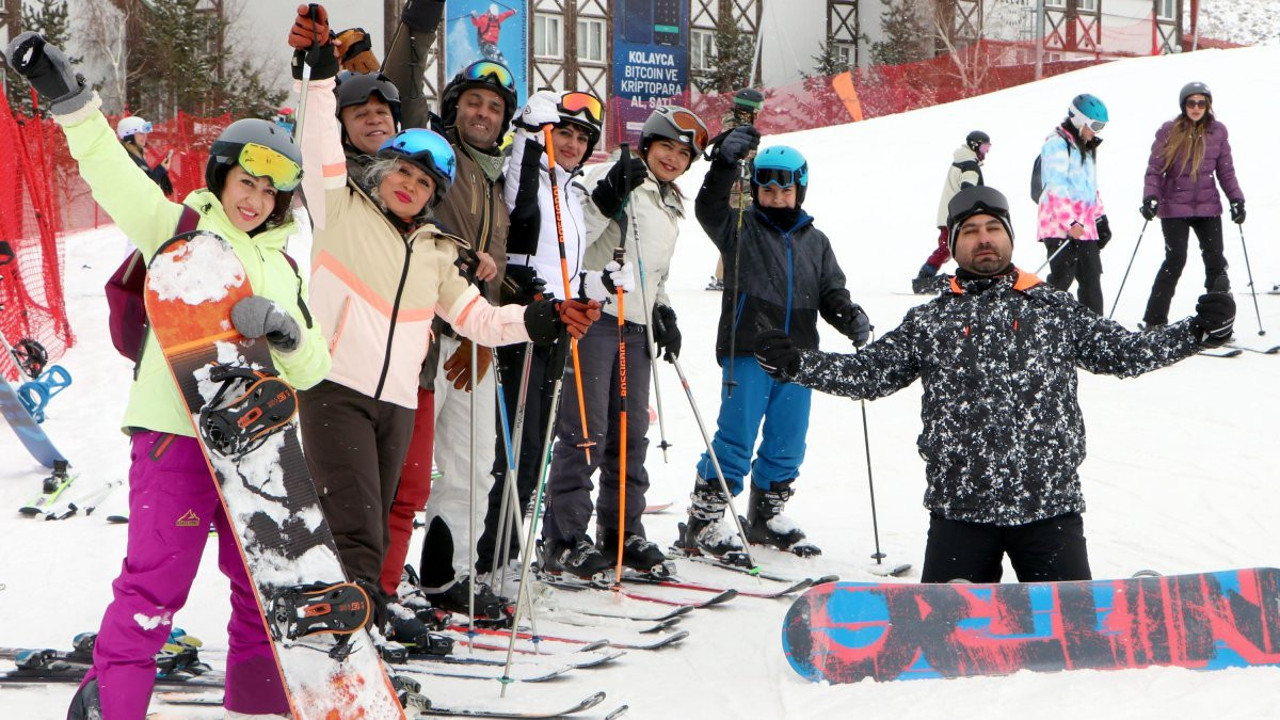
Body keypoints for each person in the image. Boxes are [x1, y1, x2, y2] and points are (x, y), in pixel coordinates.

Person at [5, 30, 331, 720]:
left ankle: (259, 708)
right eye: (247, 182)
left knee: (263, 591)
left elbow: (312, 367)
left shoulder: (285, 263)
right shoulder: (177, 228)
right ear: (220, 177)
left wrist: (288, 331)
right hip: (173, 437)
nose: (256, 200)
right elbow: (112, 176)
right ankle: (116, 706)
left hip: (260, 450)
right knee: (155, 588)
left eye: (271, 192)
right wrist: (72, 104)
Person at [286, 9, 600, 634]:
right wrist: (321, 70)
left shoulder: (439, 242)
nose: (410, 185)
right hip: (340, 384)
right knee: (355, 516)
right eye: (402, 170)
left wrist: (544, 317)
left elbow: (480, 316)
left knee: (401, 502)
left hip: (402, 390)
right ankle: (353, 624)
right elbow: (321, 138)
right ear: (383, 169)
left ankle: (386, 606)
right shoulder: (341, 207)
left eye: (424, 181)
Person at [752, 185, 1236, 584]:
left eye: (993, 230)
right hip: (960, 512)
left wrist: (1195, 331)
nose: (984, 240)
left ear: (1009, 238)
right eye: (971, 232)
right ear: (955, 245)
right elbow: (871, 374)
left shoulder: (1052, 308)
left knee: (1071, 640)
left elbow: (1124, 354)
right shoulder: (931, 319)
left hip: (1049, 508)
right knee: (946, 650)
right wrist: (798, 364)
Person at [675, 131, 870, 561]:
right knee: (737, 436)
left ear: (799, 190)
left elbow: (830, 291)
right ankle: (703, 520)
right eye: (767, 188)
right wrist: (724, 165)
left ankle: (766, 515)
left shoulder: (815, 241)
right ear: (756, 190)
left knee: (788, 439)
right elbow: (708, 208)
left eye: (785, 189)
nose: (776, 196)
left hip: (800, 358)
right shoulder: (740, 228)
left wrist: (849, 316)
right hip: (747, 349)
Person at [537, 105, 709, 582]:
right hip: (595, 319)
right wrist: (611, 194)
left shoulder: (670, 201)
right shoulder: (608, 178)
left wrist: (664, 309)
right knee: (585, 434)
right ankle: (563, 539)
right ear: (648, 144)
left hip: (636, 328)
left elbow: (653, 272)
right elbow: (574, 238)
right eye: (666, 147)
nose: (673, 158)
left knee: (630, 437)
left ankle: (621, 532)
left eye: (683, 152)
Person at [480, 88, 627, 596]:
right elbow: (520, 214)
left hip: (558, 325)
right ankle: (488, 559)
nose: (570, 143)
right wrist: (526, 135)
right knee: (513, 448)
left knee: (538, 445)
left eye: (581, 137)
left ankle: (509, 553)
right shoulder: (528, 178)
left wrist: (599, 284)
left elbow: (566, 273)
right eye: (562, 132)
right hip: (523, 319)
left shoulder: (571, 192)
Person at [411, 59, 521, 622]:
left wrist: (485, 332)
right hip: (422, 339)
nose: (483, 113)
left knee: (474, 465)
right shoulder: (429, 155)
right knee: (401, 471)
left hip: (474, 340)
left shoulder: (497, 176)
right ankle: (369, 582)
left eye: (495, 107)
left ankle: (446, 578)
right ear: (454, 105)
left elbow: (492, 272)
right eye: (474, 101)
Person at [1139, 81, 1245, 329]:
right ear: (1183, 105)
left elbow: (1226, 172)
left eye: (1201, 103)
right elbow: (1155, 170)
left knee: (1216, 263)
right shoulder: (1169, 131)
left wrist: (1236, 199)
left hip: (1208, 208)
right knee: (1175, 260)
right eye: (1191, 103)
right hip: (1174, 208)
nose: (1196, 108)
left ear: (1208, 106)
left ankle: (1218, 322)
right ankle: (1155, 321)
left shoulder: (1218, 132)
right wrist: (1150, 197)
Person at [1037, 94, 1111, 314]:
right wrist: (1070, 222)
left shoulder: (1086, 147)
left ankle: (1095, 332)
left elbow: (1090, 188)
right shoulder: (1057, 144)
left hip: (1085, 228)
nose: (1097, 131)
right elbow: (1055, 187)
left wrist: (1100, 218)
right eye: (1095, 125)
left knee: (1091, 279)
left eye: (1102, 126)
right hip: (1059, 226)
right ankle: (1048, 328)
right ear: (1079, 120)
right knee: (1062, 279)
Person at [912, 129, 989, 294]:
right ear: (975, 146)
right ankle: (925, 278)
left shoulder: (961, 161)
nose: (986, 152)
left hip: (951, 214)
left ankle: (926, 277)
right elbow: (967, 189)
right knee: (951, 248)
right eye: (984, 148)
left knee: (948, 248)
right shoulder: (969, 165)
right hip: (956, 216)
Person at [707, 87, 764, 292]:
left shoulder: (741, 125)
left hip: (745, 187)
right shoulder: (735, 129)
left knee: (741, 231)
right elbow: (735, 159)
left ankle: (728, 273)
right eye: (757, 109)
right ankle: (724, 275)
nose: (759, 114)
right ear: (747, 109)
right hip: (737, 189)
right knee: (738, 231)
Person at [117, 114, 174, 196]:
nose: (145, 136)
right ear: (129, 135)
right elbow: (144, 188)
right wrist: (161, 170)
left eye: (146, 133)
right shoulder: (126, 158)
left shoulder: (135, 153)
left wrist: (162, 170)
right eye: (141, 133)